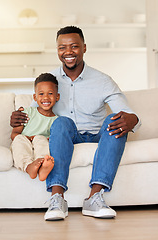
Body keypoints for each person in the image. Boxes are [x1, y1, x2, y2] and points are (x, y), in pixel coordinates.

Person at [10, 26, 141, 221]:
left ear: (84, 48)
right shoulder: (49, 82)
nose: (68, 52)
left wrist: (133, 119)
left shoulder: (103, 80)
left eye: (74, 46)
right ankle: (57, 198)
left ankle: (95, 197)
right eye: (62, 47)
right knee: (62, 122)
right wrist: (18, 121)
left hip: (96, 135)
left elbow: (129, 114)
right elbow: (34, 114)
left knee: (115, 120)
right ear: (57, 50)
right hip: (66, 135)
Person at [11, 73, 60, 181]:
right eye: (41, 94)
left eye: (50, 93)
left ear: (57, 96)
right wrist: (28, 138)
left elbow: (55, 139)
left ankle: (43, 166)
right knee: (19, 139)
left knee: (40, 139)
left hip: (40, 145)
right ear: (35, 97)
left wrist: (44, 138)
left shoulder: (57, 121)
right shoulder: (26, 113)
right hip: (24, 142)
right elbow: (14, 134)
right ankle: (28, 166)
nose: (46, 97)